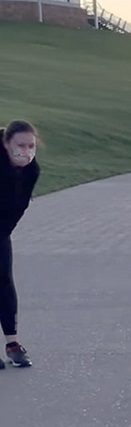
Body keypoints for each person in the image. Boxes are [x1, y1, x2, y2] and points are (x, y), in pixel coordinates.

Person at [0, 120, 42, 369]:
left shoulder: (31, 170)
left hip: (1, 227)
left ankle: (13, 344)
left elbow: (18, 207)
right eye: (20, 145)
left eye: (31, 146)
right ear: (6, 144)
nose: (25, 151)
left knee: (4, 279)